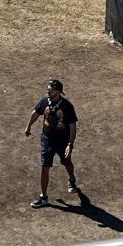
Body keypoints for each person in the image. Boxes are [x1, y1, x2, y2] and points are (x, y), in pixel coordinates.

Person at [24, 78, 80, 208]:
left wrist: (70, 144)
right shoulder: (45, 101)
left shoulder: (67, 106)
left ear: (58, 91)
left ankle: (72, 179)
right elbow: (36, 113)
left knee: (66, 162)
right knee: (45, 166)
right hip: (47, 139)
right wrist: (28, 127)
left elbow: (72, 126)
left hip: (62, 141)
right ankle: (43, 197)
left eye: (50, 90)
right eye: (48, 89)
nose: (48, 91)